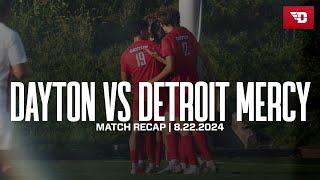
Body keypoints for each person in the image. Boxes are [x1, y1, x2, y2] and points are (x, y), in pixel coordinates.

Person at [148, 6, 217, 174]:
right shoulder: (186, 33)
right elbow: (203, 56)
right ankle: (202, 162)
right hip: (192, 83)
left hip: (180, 86)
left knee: (184, 124)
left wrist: (152, 81)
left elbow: (171, 67)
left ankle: (192, 164)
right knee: (175, 122)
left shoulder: (168, 39)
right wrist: (212, 77)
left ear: (163, 23)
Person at [120, 19, 166, 174]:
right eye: (147, 29)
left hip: (140, 96)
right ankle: (154, 164)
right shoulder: (153, 46)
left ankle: (134, 165)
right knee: (158, 130)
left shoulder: (125, 54)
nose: (149, 32)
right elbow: (168, 64)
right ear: (141, 31)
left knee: (137, 130)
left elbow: (124, 81)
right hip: (157, 93)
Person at [0, 0, 32, 175]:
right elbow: (20, 72)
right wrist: (28, 69)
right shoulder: (9, 36)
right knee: (5, 165)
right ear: (7, 11)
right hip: (1, 110)